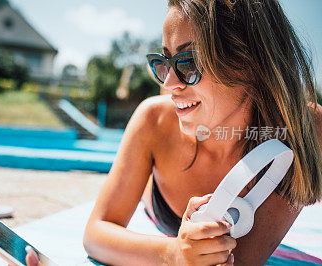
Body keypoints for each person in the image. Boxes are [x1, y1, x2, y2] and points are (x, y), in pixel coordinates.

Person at [82, 0, 322, 265]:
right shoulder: (154, 120)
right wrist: (174, 253)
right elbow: (96, 233)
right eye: (164, 62)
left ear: (251, 62)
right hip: (160, 201)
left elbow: (239, 261)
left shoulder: (303, 130)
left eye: (189, 62)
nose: (169, 82)